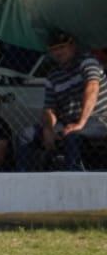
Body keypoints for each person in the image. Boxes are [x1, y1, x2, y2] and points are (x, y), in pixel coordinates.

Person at [19, 29, 106, 172]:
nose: (58, 52)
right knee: (25, 136)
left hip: (97, 119)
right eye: (53, 49)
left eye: (61, 47)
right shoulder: (53, 76)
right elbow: (49, 108)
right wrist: (48, 129)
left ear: (72, 46)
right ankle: (23, 179)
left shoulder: (87, 61)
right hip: (66, 123)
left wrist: (80, 123)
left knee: (71, 135)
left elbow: (92, 87)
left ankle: (72, 178)